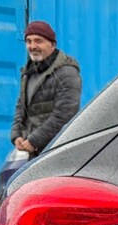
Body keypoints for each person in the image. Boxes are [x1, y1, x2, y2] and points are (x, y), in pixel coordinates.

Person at [11, 20, 81, 158]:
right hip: (34, 150)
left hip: (57, 151)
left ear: (52, 45)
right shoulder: (29, 72)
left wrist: (35, 140)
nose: (33, 46)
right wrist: (16, 134)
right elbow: (21, 106)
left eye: (38, 41)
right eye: (29, 41)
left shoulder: (66, 72)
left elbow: (65, 114)